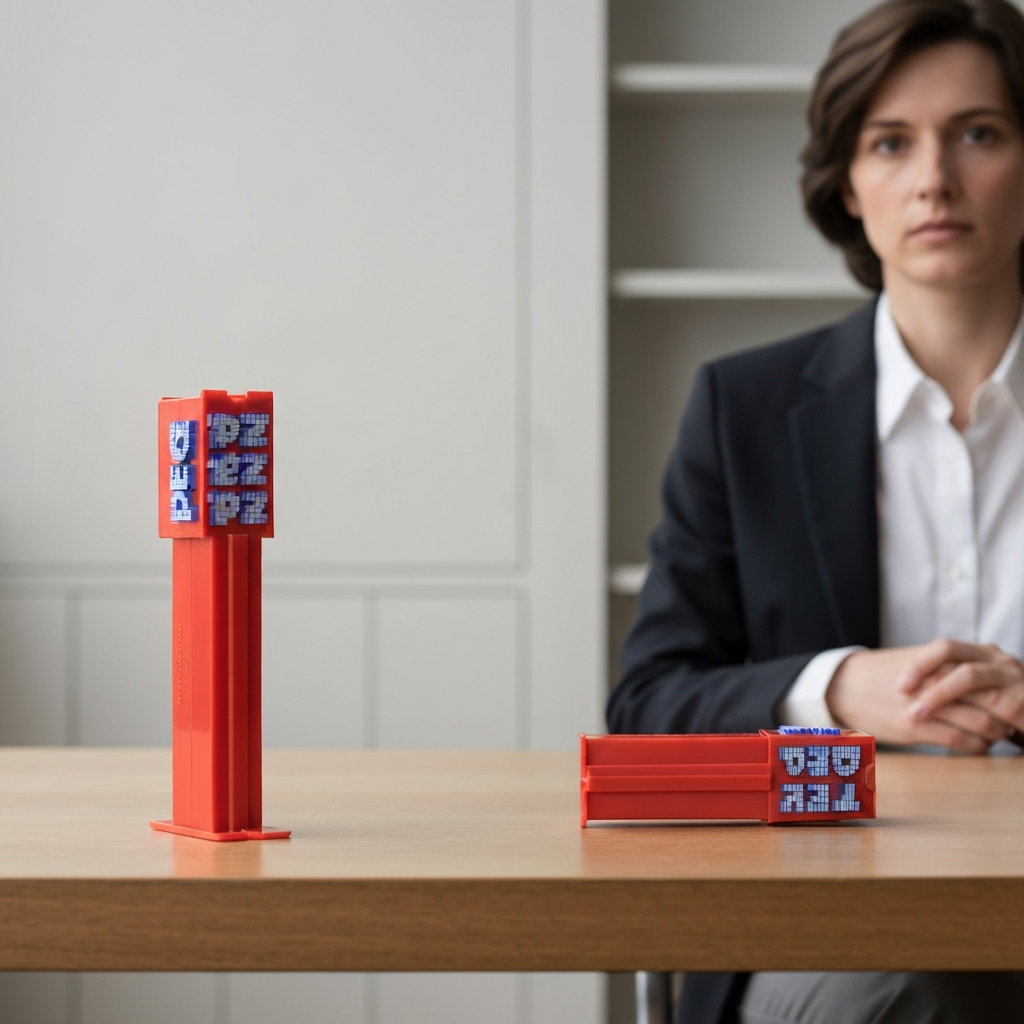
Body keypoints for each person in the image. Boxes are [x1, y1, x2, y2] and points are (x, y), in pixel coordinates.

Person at [606, 1, 1024, 1022]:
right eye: (891, 142)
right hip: (827, 915)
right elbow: (648, 709)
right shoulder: (738, 409)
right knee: (916, 983)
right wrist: (836, 691)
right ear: (847, 181)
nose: (934, 178)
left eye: (978, 133)